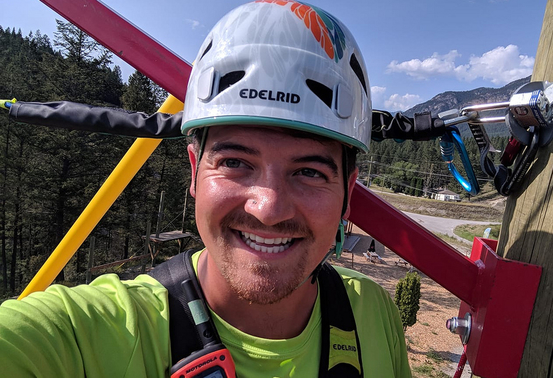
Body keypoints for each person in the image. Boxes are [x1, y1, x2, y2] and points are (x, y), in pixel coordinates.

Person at [0, 1, 412, 377]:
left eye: (309, 172)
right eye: (235, 163)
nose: (268, 209)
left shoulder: (372, 314)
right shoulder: (92, 335)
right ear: (195, 172)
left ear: (347, 193)